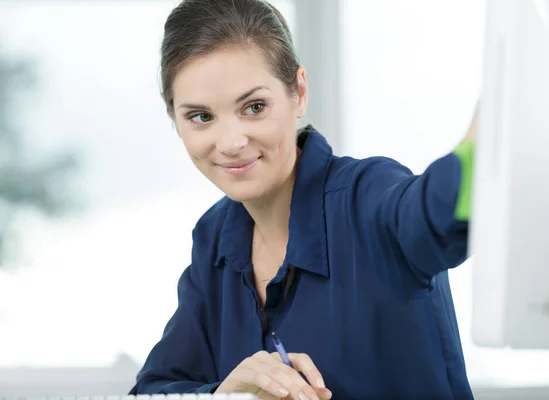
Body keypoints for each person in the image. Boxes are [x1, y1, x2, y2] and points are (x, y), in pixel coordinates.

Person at [130, 0, 477, 399]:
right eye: (201, 117)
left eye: (254, 107)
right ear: (175, 120)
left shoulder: (368, 197)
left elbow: (445, 209)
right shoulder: (214, 239)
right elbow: (153, 390)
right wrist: (223, 395)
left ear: (299, 92)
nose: (231, 143)